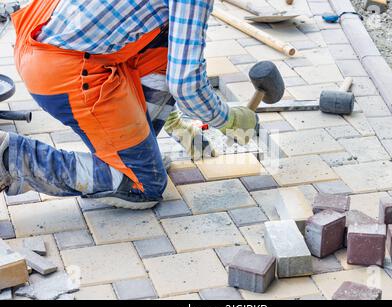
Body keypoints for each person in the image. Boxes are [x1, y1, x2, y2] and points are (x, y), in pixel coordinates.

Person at [0, 0, 257, 209]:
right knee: (146, 183)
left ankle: (137, 152)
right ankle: (10, 157)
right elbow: (186, 84)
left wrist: (174, 121)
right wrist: (228, 120)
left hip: (43, 36)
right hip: (61, 68)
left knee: (168, 38)